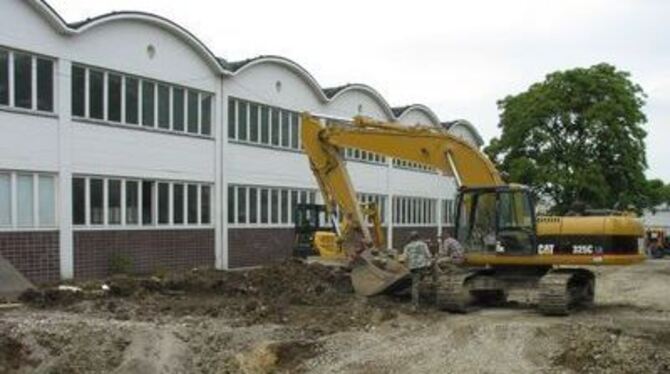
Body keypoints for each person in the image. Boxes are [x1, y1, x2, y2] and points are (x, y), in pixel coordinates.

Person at [402, 231, 432, 310]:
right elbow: (428, 255)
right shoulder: (423, 244)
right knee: (424, 279)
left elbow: (404, 258)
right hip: (423, 266)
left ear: (411, 238)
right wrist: (430, 261)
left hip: (413, 267)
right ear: (418, 237)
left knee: (415, 285)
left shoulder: (407, 246)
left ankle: (415, 305)